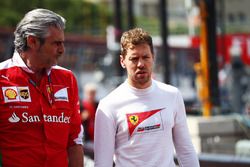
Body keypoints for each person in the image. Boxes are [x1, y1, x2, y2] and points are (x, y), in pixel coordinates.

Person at [94, 28, 200, 167]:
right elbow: (102, 163)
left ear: (153, 57)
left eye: (145, 57)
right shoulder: (108, 105)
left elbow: (185, 150)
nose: (141, 64)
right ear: (122, 61)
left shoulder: (172, 95)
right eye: (134, 58)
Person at [0, 8, 83, 167]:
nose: (62, 50)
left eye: (62, 43)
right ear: (32, 41)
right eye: (56, 43)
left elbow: (74, 140)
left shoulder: (67, 79)